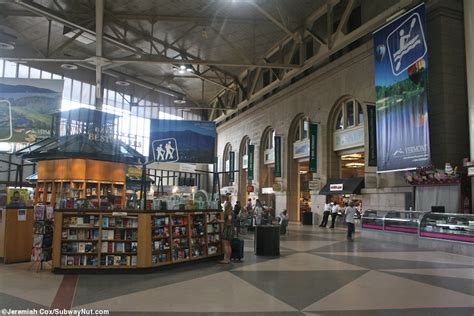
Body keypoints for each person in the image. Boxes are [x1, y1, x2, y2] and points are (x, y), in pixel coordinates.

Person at [219, 195, 234, 264]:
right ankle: (228, 258)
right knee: (229, 244)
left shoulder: (229, 214)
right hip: (231, 229)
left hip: (227, 229)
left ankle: (226, 259)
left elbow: (228, 221)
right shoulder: (232, 213)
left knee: (226, 244)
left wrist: (221, 221)